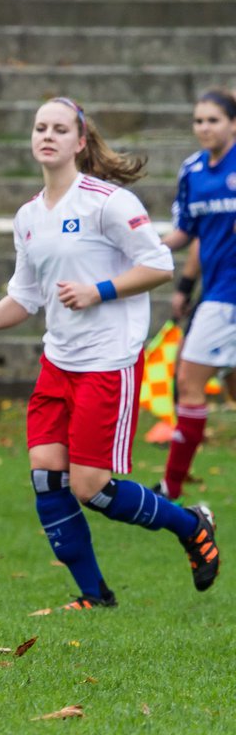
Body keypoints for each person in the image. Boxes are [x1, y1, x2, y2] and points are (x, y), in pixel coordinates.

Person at [0, 96, 220, 610]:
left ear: (80, 141)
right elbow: (26, 297)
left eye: (58, 129)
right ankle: (95, 596)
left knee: (91, 487)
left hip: (107, 363)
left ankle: (191, 525)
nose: (46, 136)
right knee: (47, 476)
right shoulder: (28, 216)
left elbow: (159, 265)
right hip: (58, 362)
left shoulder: (107, 202)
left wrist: (100, 289)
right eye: (38, 128)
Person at [155, 89, 236, 501]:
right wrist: (142, 250)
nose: (204, 127)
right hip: (215, 290)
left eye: (213, 120)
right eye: (198, 120)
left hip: (227, 297)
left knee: (188, 380)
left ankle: (169, 487)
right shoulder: (192, 171)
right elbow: (188, 233)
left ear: (233, 124)